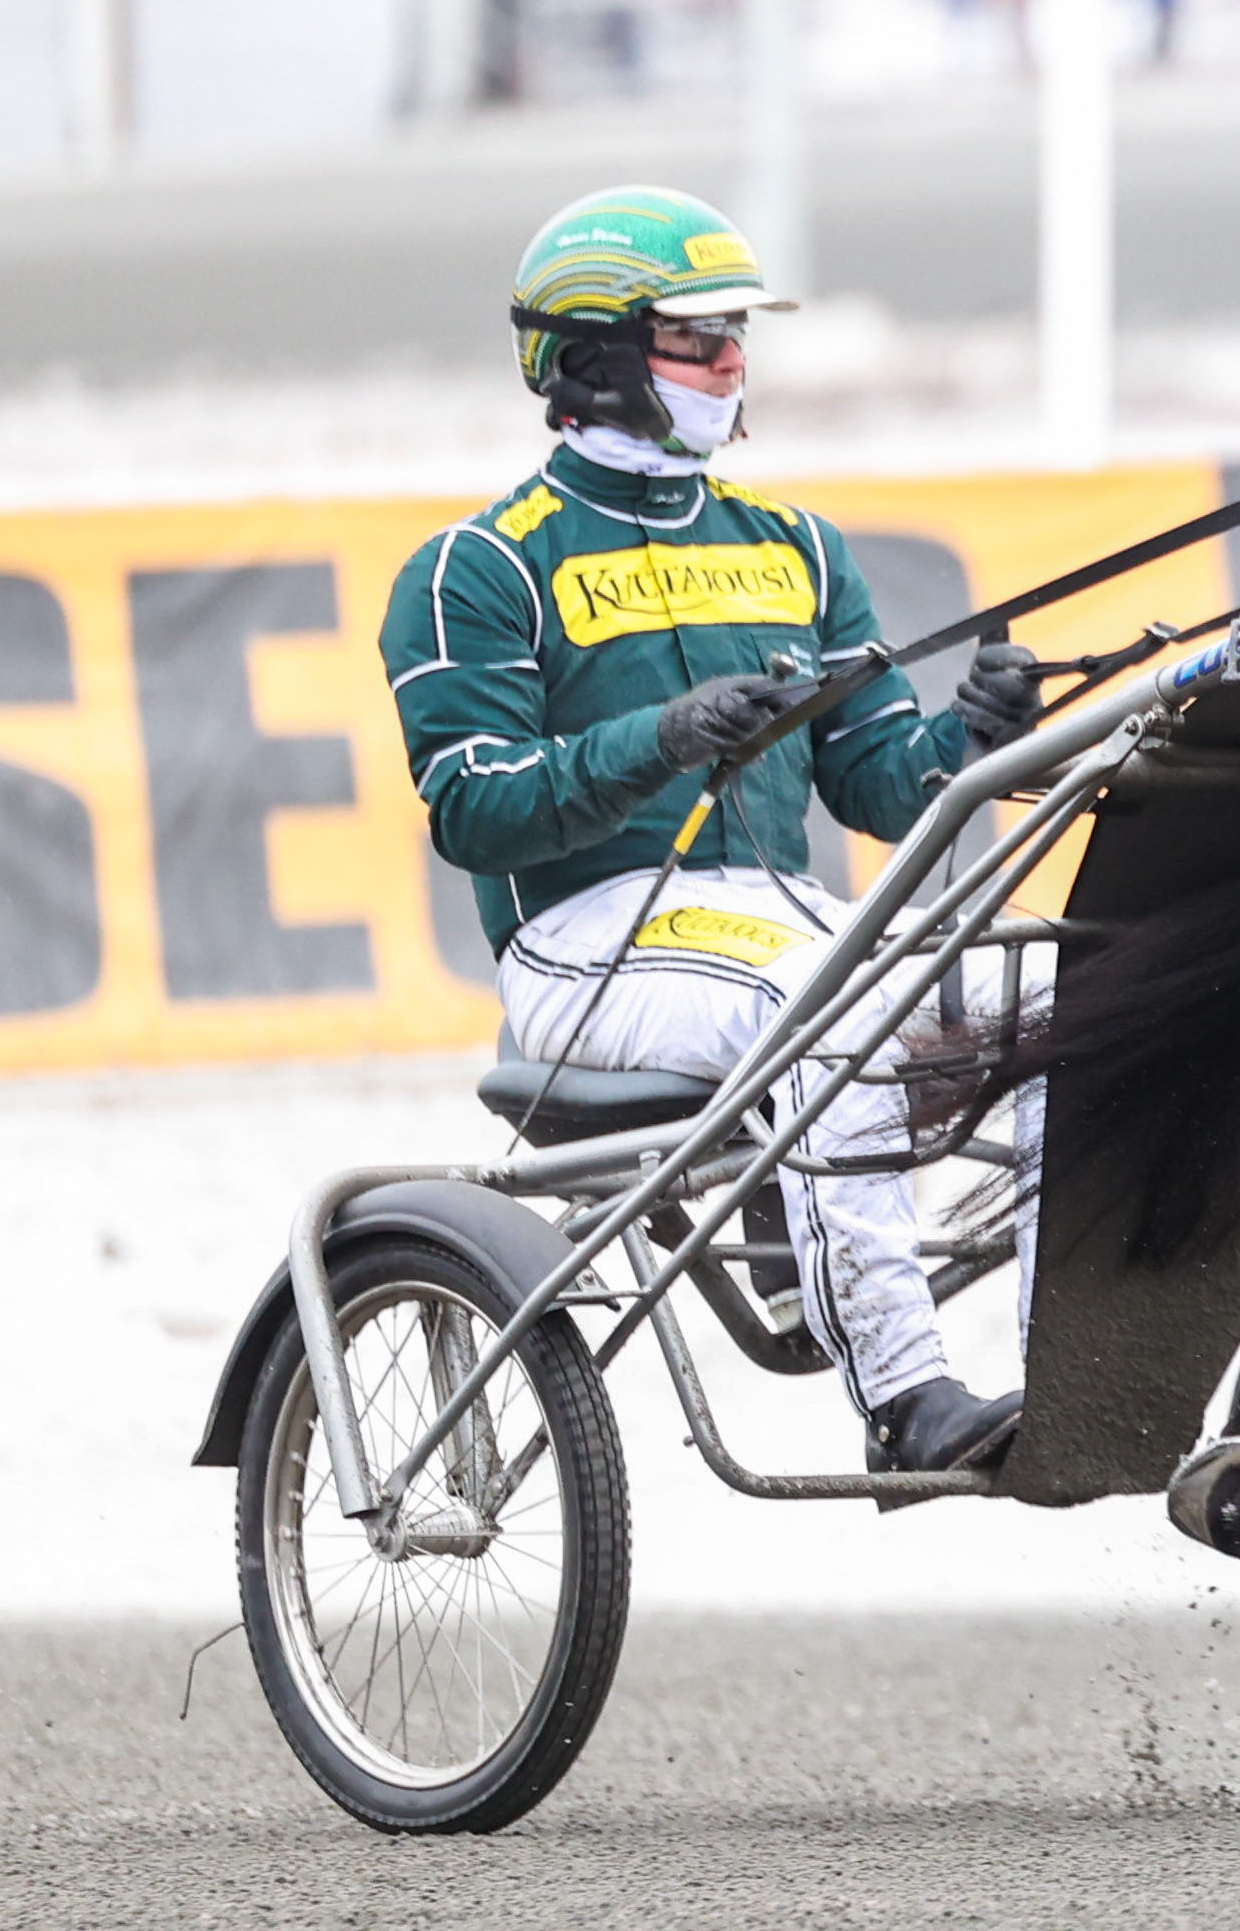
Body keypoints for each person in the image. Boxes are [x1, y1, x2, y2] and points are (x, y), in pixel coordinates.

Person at [383, 185, 1049, 1475]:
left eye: (739, 333)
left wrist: (972, 742)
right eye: (699, 337)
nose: (733, 363)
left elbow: (877, 785)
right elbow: (475, 813)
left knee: (1069, 984)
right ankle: (907, 1401)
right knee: (827, 999)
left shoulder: (797, 545)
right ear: (593, 357)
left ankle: (1071, 1369)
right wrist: (664, 736)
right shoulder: (479, 567)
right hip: (583, 953)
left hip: (775, 925)